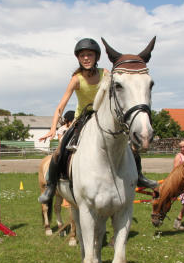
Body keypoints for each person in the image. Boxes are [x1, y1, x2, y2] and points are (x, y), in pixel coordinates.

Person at [38, 38, 157, 204]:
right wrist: (52, 129)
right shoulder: (76, 79)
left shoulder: (105, 74)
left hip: (103, 117)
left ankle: (139, 176)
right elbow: (61, 106)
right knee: (60, 150)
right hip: (82, 119)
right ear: (78, 58)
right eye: (82, 55)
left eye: (90, 55)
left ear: (97, 57)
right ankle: (51, 186)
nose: (86, 58)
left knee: (129, 145)